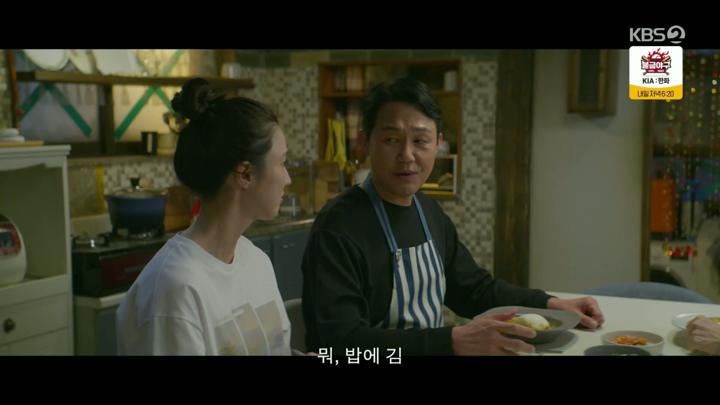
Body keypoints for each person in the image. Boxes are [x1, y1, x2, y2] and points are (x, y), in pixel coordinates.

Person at [301, 77, 604, 355]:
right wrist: (452, 340)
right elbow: (341, 343)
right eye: (391, 139)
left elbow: (474, 290)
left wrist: (551, 304)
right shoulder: (338, 227)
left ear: (439, 144)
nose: (407, 155)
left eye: (420, 141)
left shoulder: (428, 212)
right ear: (364, 142)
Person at [116, 78, 293, 355]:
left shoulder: (256, 262)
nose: (288, 178)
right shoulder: (175, 289)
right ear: (245, 174)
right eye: (282, 163)